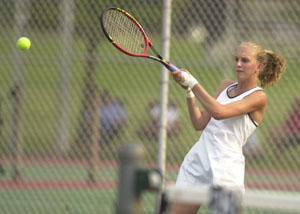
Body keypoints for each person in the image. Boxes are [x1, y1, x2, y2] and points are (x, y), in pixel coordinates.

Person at [169, 41, 286, 214]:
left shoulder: (259, 97)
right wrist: (189, 91)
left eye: (245, 60)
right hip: (198, 160)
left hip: (226, 167)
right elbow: (199, 123)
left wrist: (194, 82)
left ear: (259, 67)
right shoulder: (226, 85)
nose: (238, 64)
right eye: (236, 59)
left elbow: (219, 112)